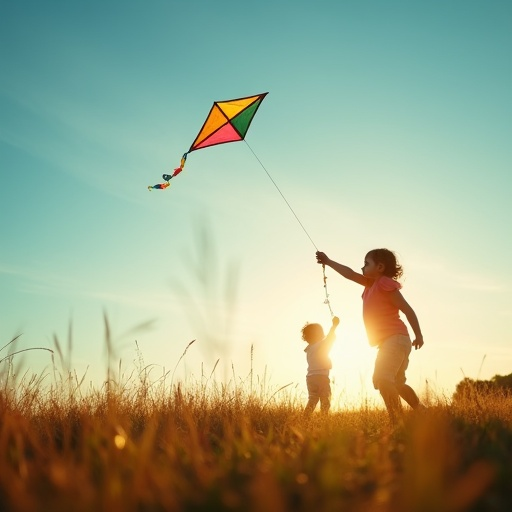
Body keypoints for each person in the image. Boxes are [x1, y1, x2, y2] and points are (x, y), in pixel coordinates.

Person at [316, 249, 424, 424]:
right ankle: (423, 411)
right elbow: (349, 274)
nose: (362, 267)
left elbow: (407, 309)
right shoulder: (370, 285)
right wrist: (328, 261)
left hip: (395, 339)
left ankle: (397, 421)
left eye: (366, 263)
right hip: (394, 340)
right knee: (397, 383)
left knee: (382, 378)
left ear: (380, 267)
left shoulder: (384, 283)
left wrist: (418, 334)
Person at [301, 315, 340, 415]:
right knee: (325, 399)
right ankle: (324, 419)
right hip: (321, 377)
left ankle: (305, 418)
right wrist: (334, 326)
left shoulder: (309, 348)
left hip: (310, 377)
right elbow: (330, 337)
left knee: (312, 399)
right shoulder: (321, 345)